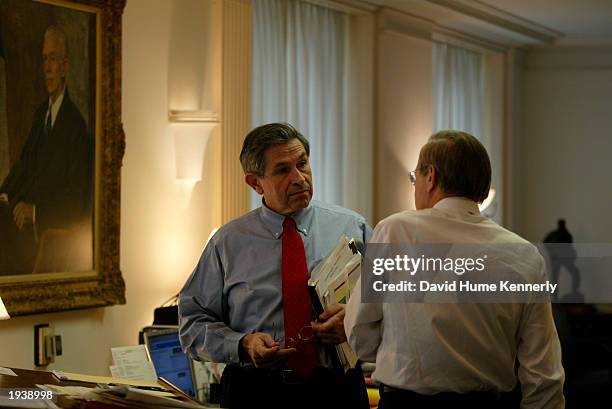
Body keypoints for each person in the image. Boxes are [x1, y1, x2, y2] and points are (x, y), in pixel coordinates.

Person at [345, 130, 565, 409]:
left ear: (431, 177)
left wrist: (400, 352)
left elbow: (359, 335)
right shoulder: (525, 254)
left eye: (415, 178)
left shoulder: (395, 231)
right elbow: (544, 372)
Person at [179, 123, 371, 408]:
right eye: (283, 170)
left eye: (302, 164)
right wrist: (242, 344)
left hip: (336, 387)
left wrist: (355, 320)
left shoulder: (353, 226)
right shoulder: (227, 243)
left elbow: (394, 303)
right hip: (255, 390)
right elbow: (191, 326)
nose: (299, 178)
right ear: (255, 183)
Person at [0, 26, 91, 275]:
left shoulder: (75, 126)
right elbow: (23, 164)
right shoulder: (41, 114)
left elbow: (74, 201)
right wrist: (4, 193)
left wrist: (36, 212)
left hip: (45, 237)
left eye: (53, 59)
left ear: (65, 66)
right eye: (44, 60)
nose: (47, 68)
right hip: (19, 225)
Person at [544, 219, 580, 296]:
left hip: (565, 258)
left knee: (575, 274)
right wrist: (551, 252)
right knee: (555, 278)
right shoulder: (554, 234)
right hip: (557, 259)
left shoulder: (567, 234)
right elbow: (545, 242)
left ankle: (574, 292)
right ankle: (555, 297)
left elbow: (570, 246)